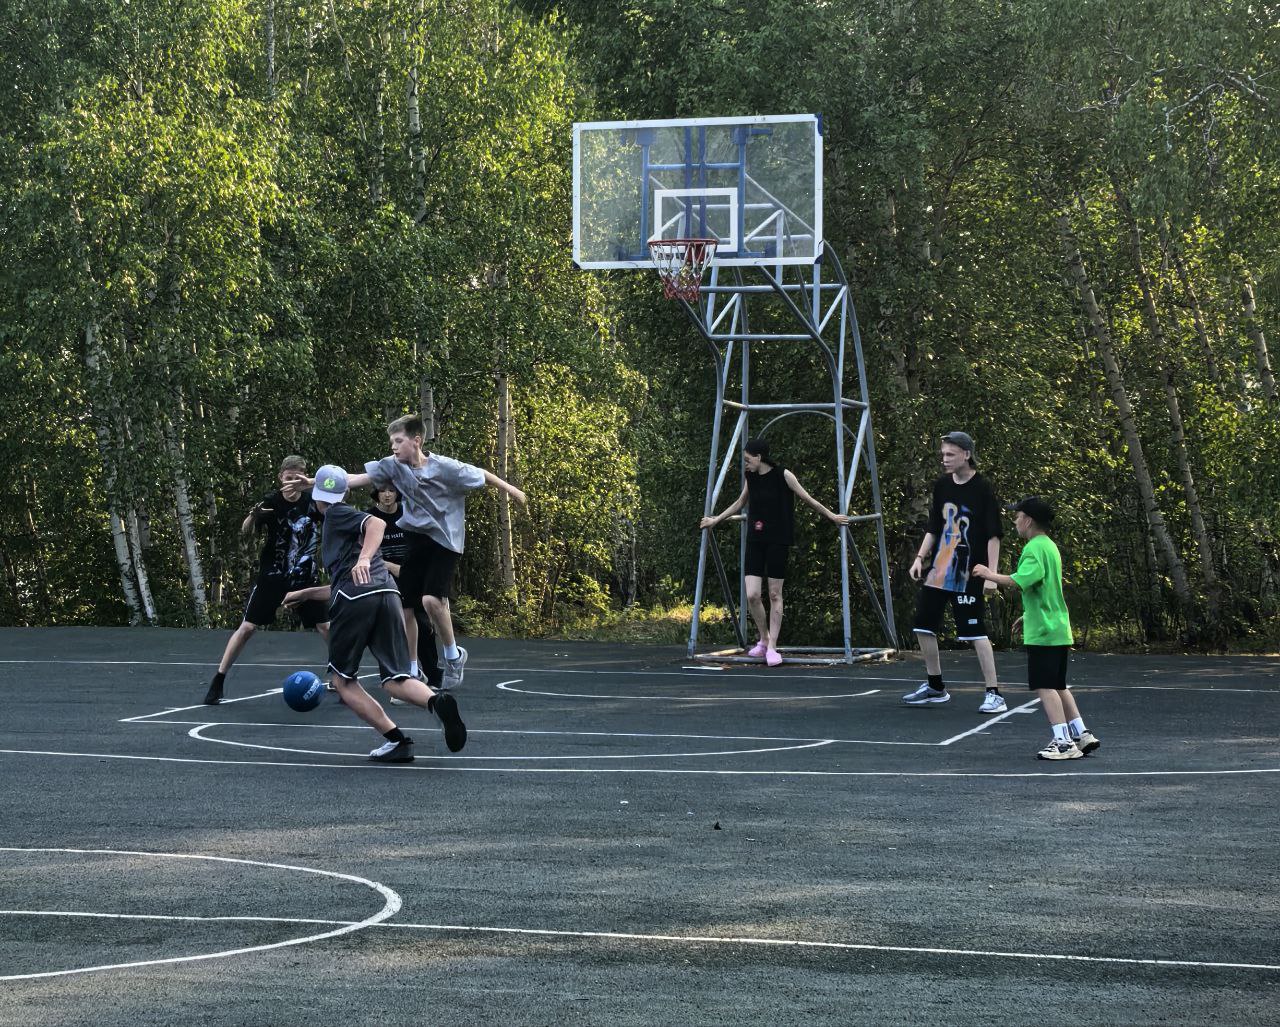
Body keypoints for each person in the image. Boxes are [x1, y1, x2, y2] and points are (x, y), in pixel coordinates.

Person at [291, 414, 526, 690]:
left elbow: (482, 475)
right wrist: (313, 483)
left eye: (398, 441)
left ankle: (453, 656)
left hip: (445, 540)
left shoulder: (445, 467)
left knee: (431, 601)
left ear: (416, 441)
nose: (393, 446)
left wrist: (513, 491)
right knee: (405, 607)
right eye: (391, 441)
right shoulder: (393, 466)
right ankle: (413, 669)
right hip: (415, 537)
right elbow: (355, 479)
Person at [282, 464, 466, 763]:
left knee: (343, 682)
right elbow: (346, 582)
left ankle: (397, 740)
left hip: (356, 599)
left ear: (317, 498)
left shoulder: (336, 514)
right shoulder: (340, 526)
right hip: (387, 593)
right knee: (395, 679)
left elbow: (376, 524)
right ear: (344, 492)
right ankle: (437, 701)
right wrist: (305, 594)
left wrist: (365, 558)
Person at [699, 438, 849, 666]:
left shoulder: (784, 475)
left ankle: (772, 647)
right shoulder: (750, 477)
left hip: (778, 540)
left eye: (748, 459)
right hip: (756, 540)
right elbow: (740, 502)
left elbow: (808, 499)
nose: (745, 464)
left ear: (759, 457)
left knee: (775, 594)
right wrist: (715, 520)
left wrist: (833, 516)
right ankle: (764, 639)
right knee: (752, 594)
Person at [972, 496, 1100, 760]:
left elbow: (1021, 580)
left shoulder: (1033, 548)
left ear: (1028, 520)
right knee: (1058, 684)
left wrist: (988, 573)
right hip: (1056, 626)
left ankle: (1063, 743)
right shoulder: (1049, 546)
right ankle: (1081, 733)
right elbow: (1044, 587)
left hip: (1044, 631)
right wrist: (1027, 615)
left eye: (1018, 516)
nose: (1015, 521)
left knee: (1044, 685)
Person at [203, 455, 330, 705]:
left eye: (297, 478)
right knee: (247, 628)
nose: (292, 483)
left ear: (304, 478)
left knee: (325, 627)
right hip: (273, 576)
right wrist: (253, 517)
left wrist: (314, 484)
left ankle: (341, 672)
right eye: (288, 478)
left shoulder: (313, 502)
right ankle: (218, 679)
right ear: (280, 478)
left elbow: (338, 495)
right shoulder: (271, 502)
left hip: (305, 576)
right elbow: (246, 531)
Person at [901, 431, 1007, 712]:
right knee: (923, 626)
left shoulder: (982, 488)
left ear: (966, 454)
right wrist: (919, 558)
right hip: (939, 570)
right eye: (943, 454)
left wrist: (992, 575)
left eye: (950, 454)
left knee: (975, 631)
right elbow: (934, 527)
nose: (945, 459)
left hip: (970, 571)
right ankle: (935, 686)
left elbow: (994, 535)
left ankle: (994, 693)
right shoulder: (942, 485)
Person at [365, 484, 442, 704]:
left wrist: (408, 569)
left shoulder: (408, 514)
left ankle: (431, 674)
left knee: (423, 625)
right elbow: (365, 549)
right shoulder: (368, 518)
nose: (387, 494)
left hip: (410, 573)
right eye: (383, 490)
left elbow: (423, 547)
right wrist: (385, 566)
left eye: (391, 490)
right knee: (391, 626)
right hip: (382, 576)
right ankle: (403, 674)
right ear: (377, 494)